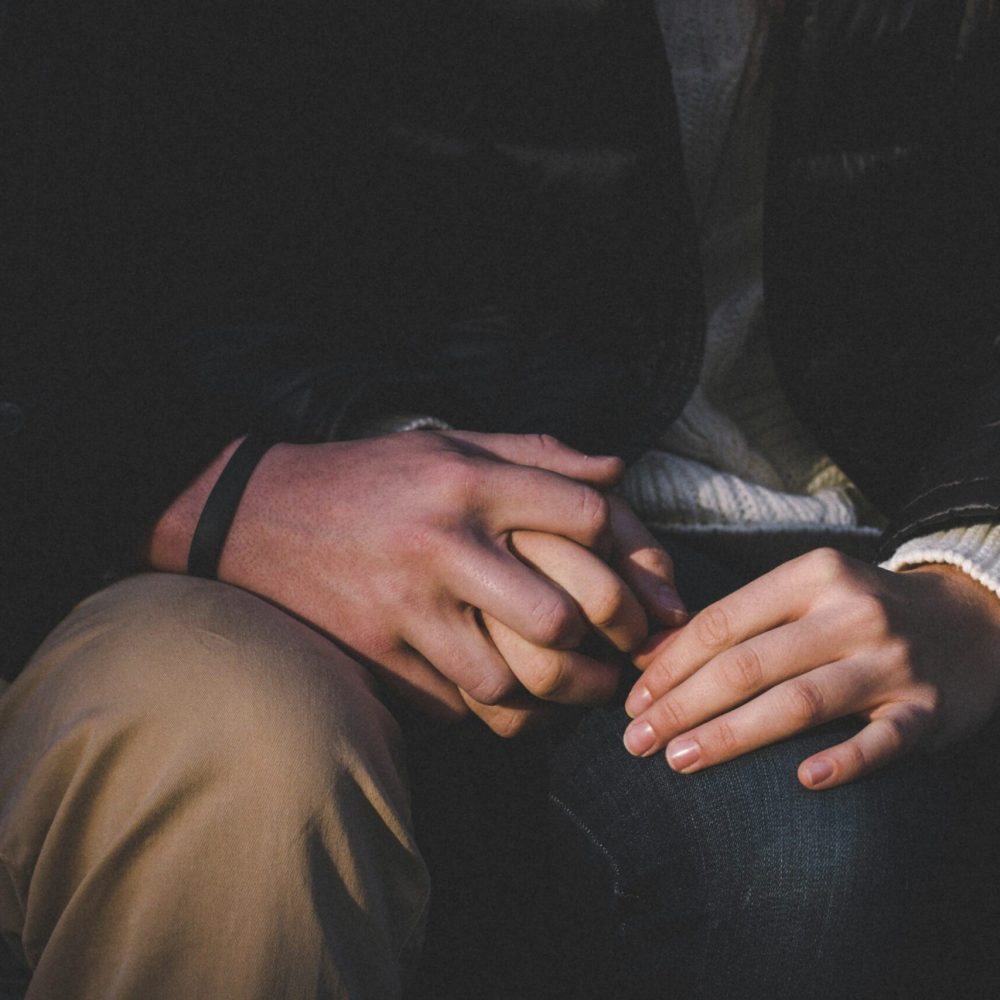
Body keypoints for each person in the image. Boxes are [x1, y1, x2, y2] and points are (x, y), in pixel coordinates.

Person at [1, 1, 998, 997]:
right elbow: (85, 240)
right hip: (266, 490)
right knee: (230, 769)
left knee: (815, 856)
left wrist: (977, 571)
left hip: (870, 530)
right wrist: (216, 487)